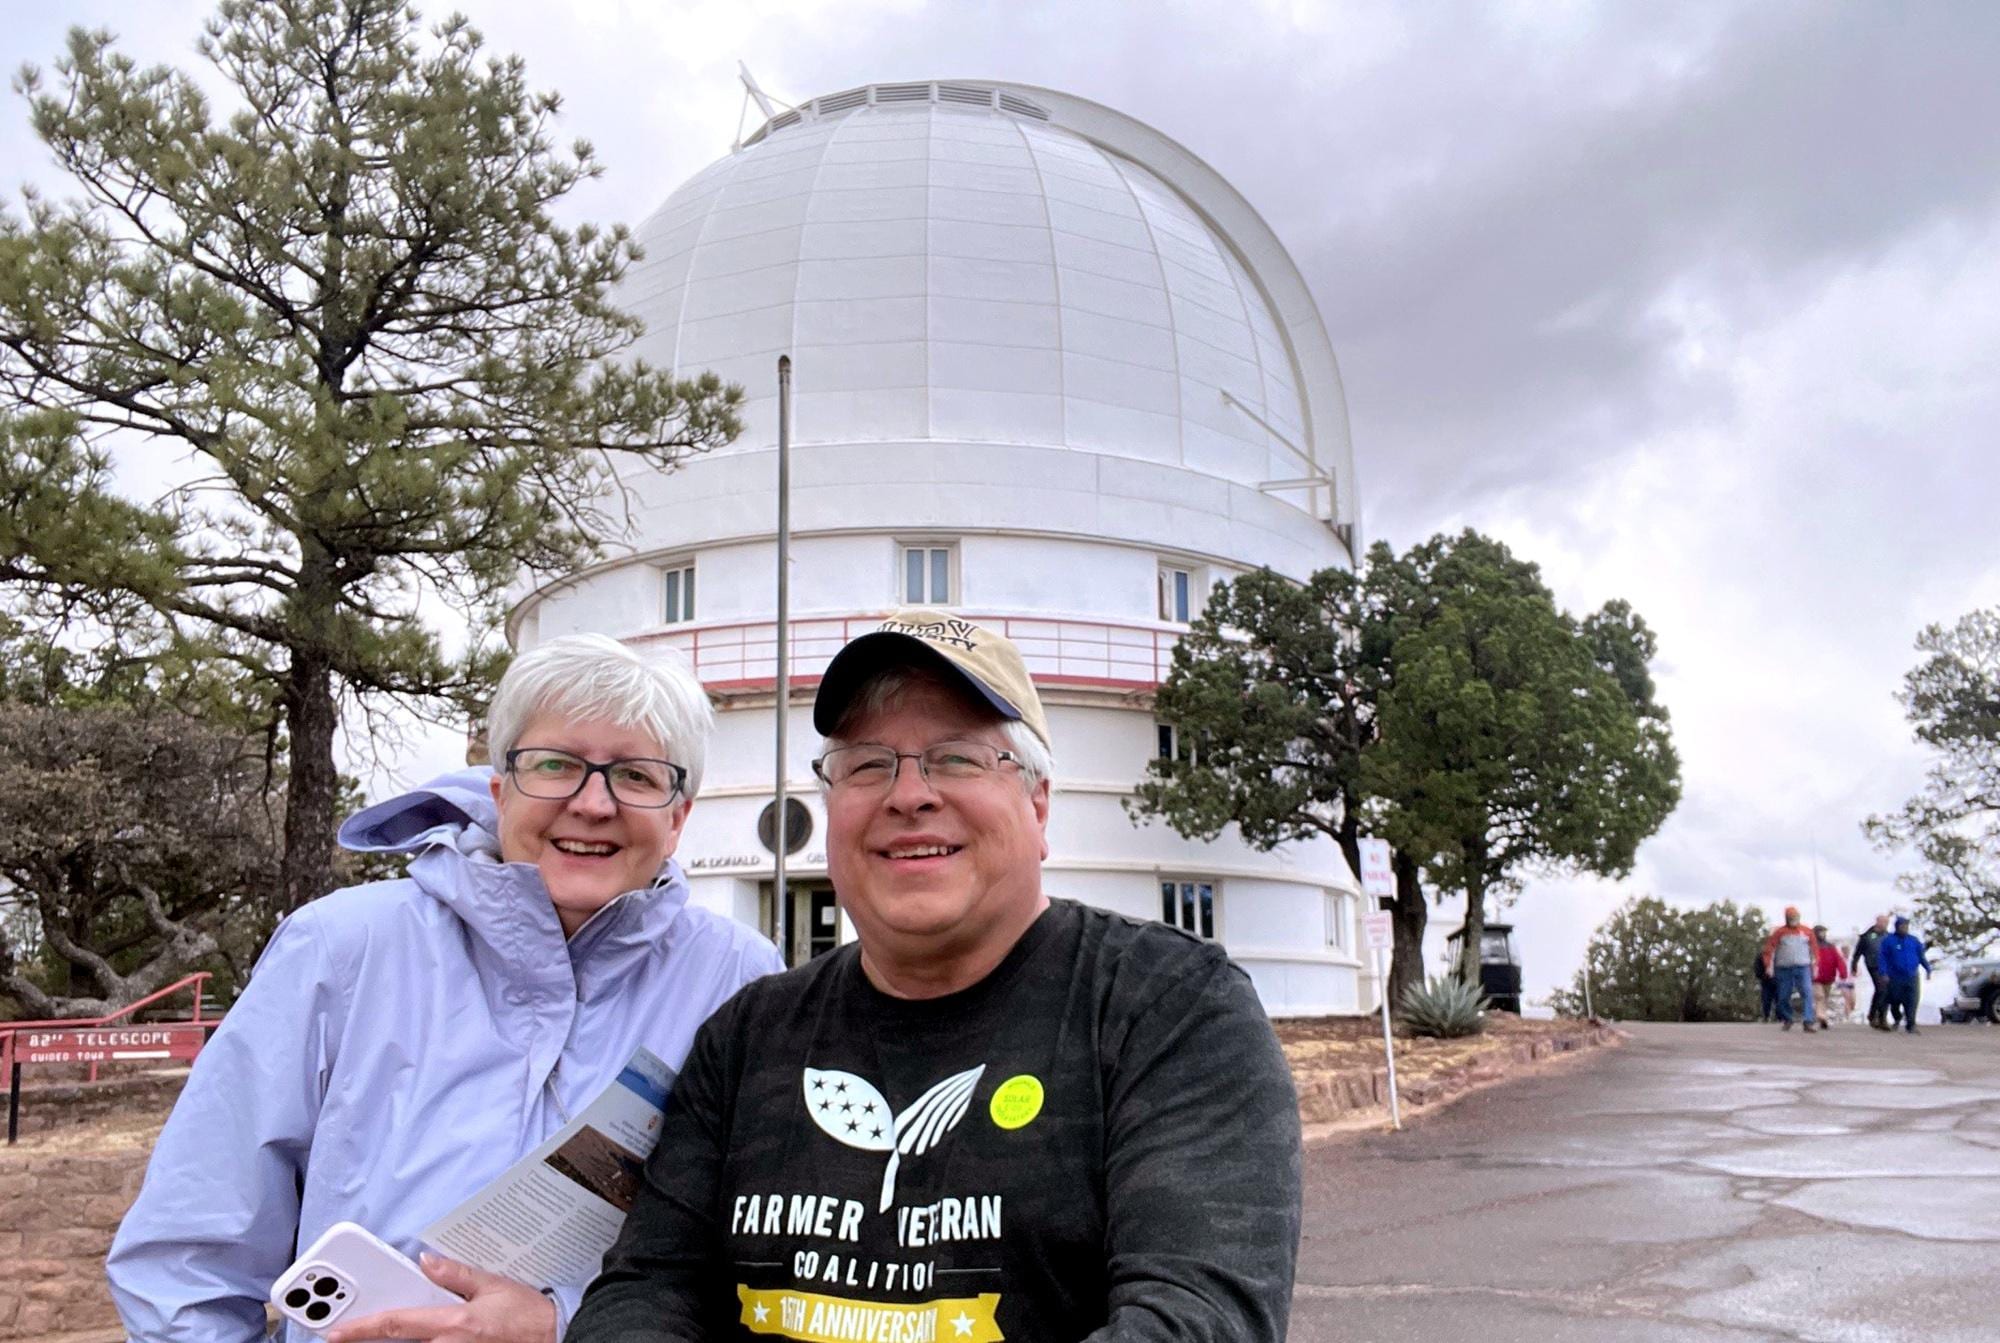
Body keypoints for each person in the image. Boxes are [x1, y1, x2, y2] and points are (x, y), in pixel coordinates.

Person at [568, 609, 1303, 1342]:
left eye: (955, 756)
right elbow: (646, 1290)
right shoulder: (749, 1034)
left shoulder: (1168, 1007)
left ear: (1038, 804)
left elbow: (1196, 1318)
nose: (908, 794)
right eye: (867, 764)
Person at [108, 635, 784, 1343]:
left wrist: (564, 1325)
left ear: (679, 816)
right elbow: (187, 1264)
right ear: (500, 791)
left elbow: (765, 1268)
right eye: (555, 765)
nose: (592, 803)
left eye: (637, 776)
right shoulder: (340, 951)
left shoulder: (738, 980)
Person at [1760, 907, 1819, 1033]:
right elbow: (1769, 950)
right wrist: (1768, 966)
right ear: (1787, 918)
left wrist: (1815, 965)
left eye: (1795, 917)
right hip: (1784, 968)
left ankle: (1808, 1020)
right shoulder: (1780, 933)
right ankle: (1788, 1018)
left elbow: (1814, 950)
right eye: (1791, 918)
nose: (1793, 920)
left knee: (1807, 992)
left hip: (1803, 967)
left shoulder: (1807, 932)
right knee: (1783, 996)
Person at [1879, 915, 1933, 1034]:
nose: (1904, 928)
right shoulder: (1888, 941)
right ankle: (1897, 1017)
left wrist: (1928, 969)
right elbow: (1882, 958)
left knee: (1912, 1001)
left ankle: (1911, 1024)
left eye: (1906, 926)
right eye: (1902, 926)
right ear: (1897, 927)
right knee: (1895, 1000)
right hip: (1894, 977)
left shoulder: (1913, 941)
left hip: (1912, 976)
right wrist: (1883, 973)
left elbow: (1921, 956)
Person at [1853, 914, 1892, 1030]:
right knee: (1881, 988)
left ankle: (1879, 1016)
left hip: (1886, 967)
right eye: (1883, 922)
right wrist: (1853, 966)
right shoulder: (1867, 936)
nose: (1885, 925)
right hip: (1873, 965)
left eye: (1887, 922)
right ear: (1877, 922)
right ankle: (1877, 1016)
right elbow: (1858, 952)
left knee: (1884, 991)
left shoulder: (1888, 936)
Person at [1811, 925, 1847, 1030]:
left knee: (1825, 997)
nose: (1823, 934)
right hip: (1815, 976)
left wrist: (1842, 972)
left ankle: (1823, 1017)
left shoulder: (1831, 947)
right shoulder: (1811, 947)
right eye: (1820, 932)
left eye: (1824, 932)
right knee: (1819, 996)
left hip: (1829, 977)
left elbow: (1838, 960)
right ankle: (1820, 1015)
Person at [1752, 944, 1779, 1022]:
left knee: (1779, 999)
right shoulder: (1761, 956)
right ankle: (1766, 1016)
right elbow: (1757, 967)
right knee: (1766, 999)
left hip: (1778, 980)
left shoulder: (1779, 956)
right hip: (1766, 980)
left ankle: (1779, 1016)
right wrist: (1762, 976)